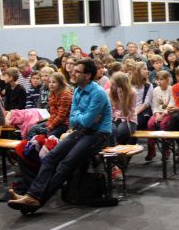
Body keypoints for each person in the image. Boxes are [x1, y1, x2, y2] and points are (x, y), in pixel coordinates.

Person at [8, 58, 112, 214]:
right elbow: (73, 119)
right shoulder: (77, 91)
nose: (73, 73)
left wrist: (80, 116)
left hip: (98, 134)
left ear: (88, 75)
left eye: (77, 71)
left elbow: (85, 120)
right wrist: (82, 116)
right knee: (50, 157)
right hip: (81, 131)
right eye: (73, 71)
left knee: (65, 164)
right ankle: (32, 196)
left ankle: (36, 200)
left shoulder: (98, 93)